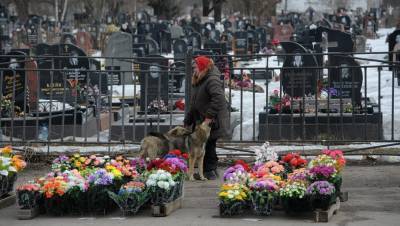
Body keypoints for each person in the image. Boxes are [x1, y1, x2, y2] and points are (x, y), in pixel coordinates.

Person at [184, 56, 230, 180]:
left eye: (195, 67)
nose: (194, 70)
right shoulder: (201, 78)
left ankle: (209, 171)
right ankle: (211, 171)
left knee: (208, 144)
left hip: (213, 120)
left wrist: (209, 117)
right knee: (208, 144)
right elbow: (195, 102)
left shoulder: (212, 79)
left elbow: (219, 99)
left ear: (202, 67)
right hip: (202, 118)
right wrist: (189, 118)